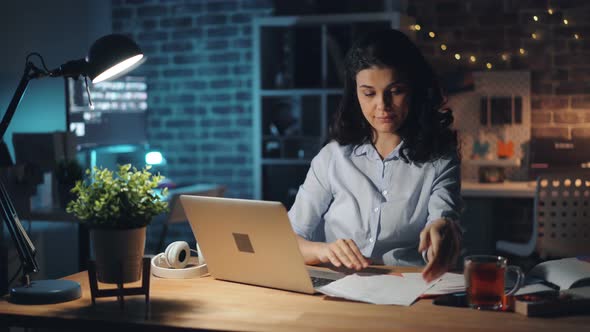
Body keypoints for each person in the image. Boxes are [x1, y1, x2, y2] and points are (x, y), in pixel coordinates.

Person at [287, 29, 463, 282]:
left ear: (414, 89)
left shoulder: (439, 159)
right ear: (355, 93)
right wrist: (324, 250)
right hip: (339, 286)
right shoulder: (332, 157)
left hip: (408, 285)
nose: (382, 105)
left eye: (396, 90)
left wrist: (443, 230)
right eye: (369, 93)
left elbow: (444, 218)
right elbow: (290, 238)